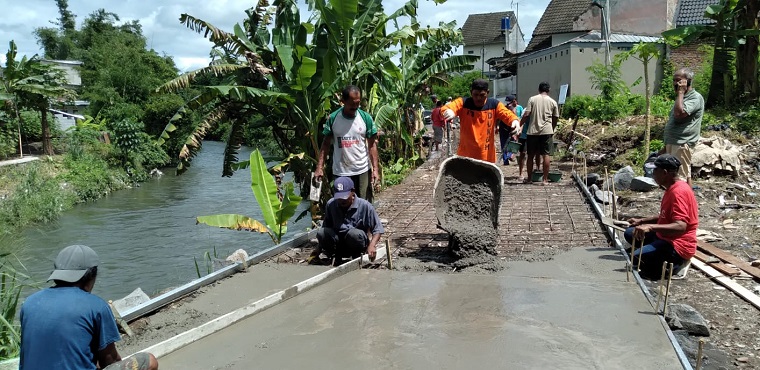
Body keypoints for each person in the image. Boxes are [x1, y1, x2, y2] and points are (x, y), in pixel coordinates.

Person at [20, 245, 159, 370]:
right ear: (92, 276)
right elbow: (108, 361)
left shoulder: (30, 303)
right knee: (149, 360)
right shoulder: (96, 306)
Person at [623, 154, 699, 279]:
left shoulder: (678, 192)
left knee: (637, 257)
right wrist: (641, 221)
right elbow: (665, 216)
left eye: (655, 171)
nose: (653, 174)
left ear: (664, 173)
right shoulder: (671, 188)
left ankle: (675, 265)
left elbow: (681, 226)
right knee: (630, 233)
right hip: (664, 235)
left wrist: (651, 228)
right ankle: (655, 250)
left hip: (678, 244)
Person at [315, 85, 379, 203]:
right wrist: (319, 168)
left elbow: (372, 145)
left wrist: (375, 170)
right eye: (352, 103)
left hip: (362, 170)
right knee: (343, 204)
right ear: (343, 101)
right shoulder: (333, 118)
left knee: (363, 204)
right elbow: (325, 144)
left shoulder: (365, 118)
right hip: (341, 172)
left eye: (358, 103)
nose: (355, 107)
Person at [309, 177, 384, 266]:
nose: (342, 201)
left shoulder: (365, 206)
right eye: (339, 198)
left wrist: (372, 245)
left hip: (355, 243)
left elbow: (378, 229)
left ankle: (356, 257)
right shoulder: (331, 204)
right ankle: (335, 257)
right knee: (321, 233)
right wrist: (318, 249)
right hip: (337, 243)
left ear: (353, 192)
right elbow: (326, 228)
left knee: (354, 234)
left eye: (345, 197)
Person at [442, 79, 520, 162]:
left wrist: (514, 120)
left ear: (488, 92)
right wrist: (448, 111)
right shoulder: (463, 103)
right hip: (466, 156)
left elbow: (507, 114)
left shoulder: (494, 105)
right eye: (475, 95)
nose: (478, 98)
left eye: (482, 95)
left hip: (486, 156)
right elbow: (447, 108)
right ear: (471, 92)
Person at [662, 68, 704, 188]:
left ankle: (681, 204)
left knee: (679, 179)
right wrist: (666, 147)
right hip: (675, 142)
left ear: (688, 81)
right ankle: (688, 202)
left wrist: (680, 93)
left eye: (679, 80)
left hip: (682, 143)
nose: (676, 83)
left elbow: (679, 114)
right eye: (674, 80)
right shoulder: (683, 98)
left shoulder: (695, 98)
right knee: (685, 175)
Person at [520, 82, 559, 185]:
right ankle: (545, 180)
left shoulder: (532, 99)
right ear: (548, 90)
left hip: (532, 131)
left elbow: (527, 114)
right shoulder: (552, 102)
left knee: (530, 155)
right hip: (547, 131)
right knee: (546, 154)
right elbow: (555, 117)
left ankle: (529, 179)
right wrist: (552, 128)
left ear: (539, 89)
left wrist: (520, 124)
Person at [498, 95, 523, 165]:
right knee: (505, 143)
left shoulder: (518, 107)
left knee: (512, 142)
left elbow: (520, 118)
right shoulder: (507, 108)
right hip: (505, 128)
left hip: (512, 127)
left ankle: (508, 156)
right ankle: (506, 158)